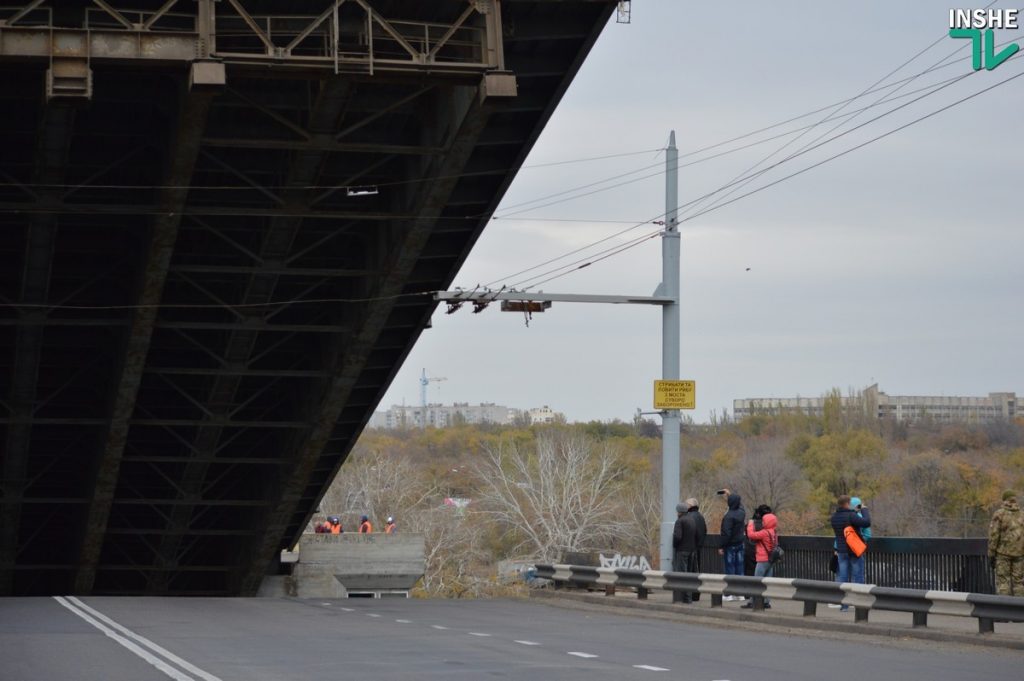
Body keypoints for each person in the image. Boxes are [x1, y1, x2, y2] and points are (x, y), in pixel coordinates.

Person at [830, 494, 871, 612]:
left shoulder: (834, 517)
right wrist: (864, 509)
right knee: (857, 576)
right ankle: (860, 604)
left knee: (842, 577)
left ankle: (844, 605)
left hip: (841, 551)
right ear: (848, 503)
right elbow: (866, 522)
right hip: (854, 550)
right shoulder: (851, 515)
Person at [988, 490, 1024, 596]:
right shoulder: (1022, 514)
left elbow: (994, 536)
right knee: (1019, 583)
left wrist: (991, 554)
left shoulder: (999, 514)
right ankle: (1020, 609)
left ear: (1004, 500)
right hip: (1020, 554)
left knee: (1003, 583)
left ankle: (1004, 610)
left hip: (1003, 554)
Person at [743, 511, 779, 609]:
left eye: (764, 521)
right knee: (767, 581)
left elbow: (751, 535)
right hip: (771, 560)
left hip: (762, 559)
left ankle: (752, 601)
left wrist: (750, 524)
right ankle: (766, 601)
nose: (762, 522)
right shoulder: (774, 532)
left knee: (757, 581)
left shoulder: (764, 532)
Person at [718, 491, 746, 600]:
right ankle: (740, 594)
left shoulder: (728, 517)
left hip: (730, 546)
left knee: (730, 569)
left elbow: (726, 534)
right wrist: (729, 494)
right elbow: (741, 506)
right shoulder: (741, 513)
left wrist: (721, 546)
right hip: (740, 544)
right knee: (740, 569)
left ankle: (729, 594)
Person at [672, 503, 697, 603]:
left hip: (682, 550)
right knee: (689, 575)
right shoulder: (692, 520)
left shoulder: (680, 521)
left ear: (679, 512)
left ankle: (684, 597)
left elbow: (677, 537)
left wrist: (674, 544)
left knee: (682, 574)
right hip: (692, 550)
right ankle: (689, 597)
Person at [685, 498, 707, 601]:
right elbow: (704, 531)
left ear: (689, 505)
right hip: (699, 547)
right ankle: (696, 595)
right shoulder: (701, 517)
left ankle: (690, 595)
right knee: (697, 571)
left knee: (690, 571)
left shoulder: (689, 517)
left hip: (690, 548)